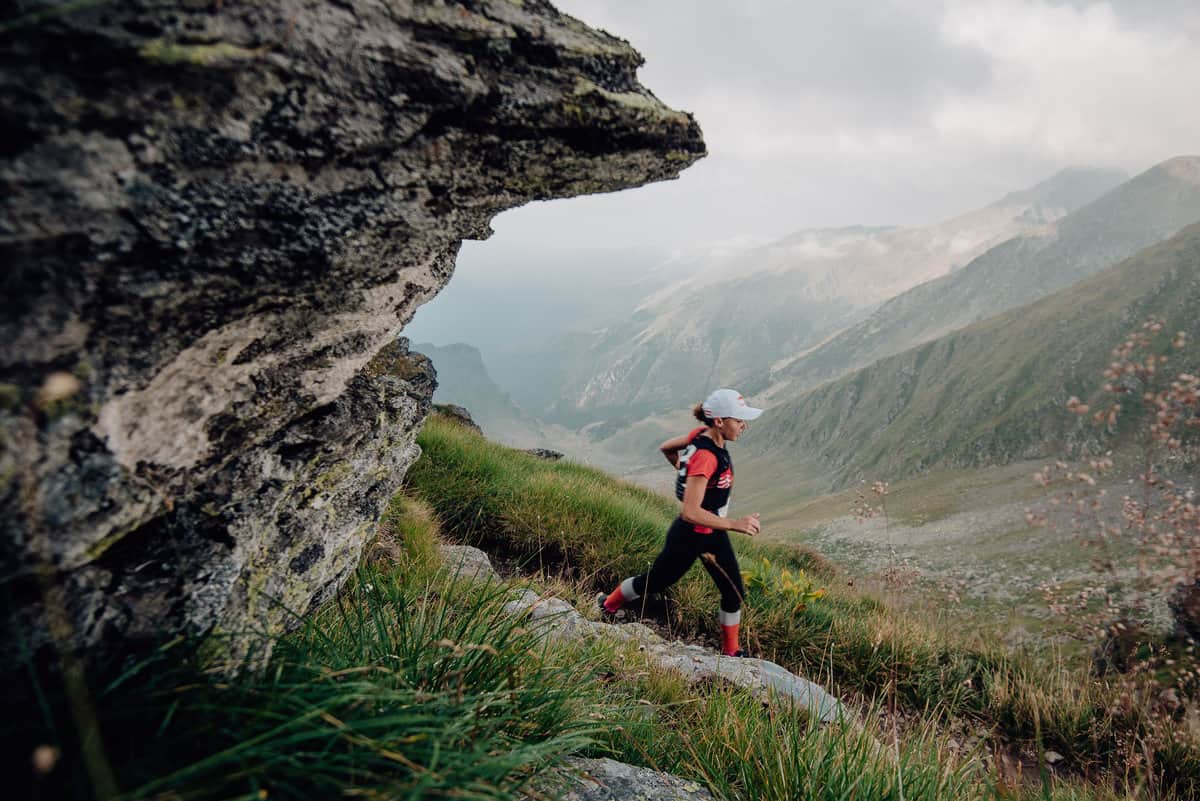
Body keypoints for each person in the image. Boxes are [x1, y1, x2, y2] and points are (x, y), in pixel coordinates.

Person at [597, 388, 763, 657]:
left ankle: (731, 652)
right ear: (719, 422)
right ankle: (608, 605)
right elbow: (690, 512)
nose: (744, 425)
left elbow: (667, 448)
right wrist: (737, 524)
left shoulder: (701, 438)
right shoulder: (707, 456)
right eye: (739, 419)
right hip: (689, 535)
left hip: (713, 534)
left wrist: (686, 473)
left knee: (733, 592)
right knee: (654, 583)